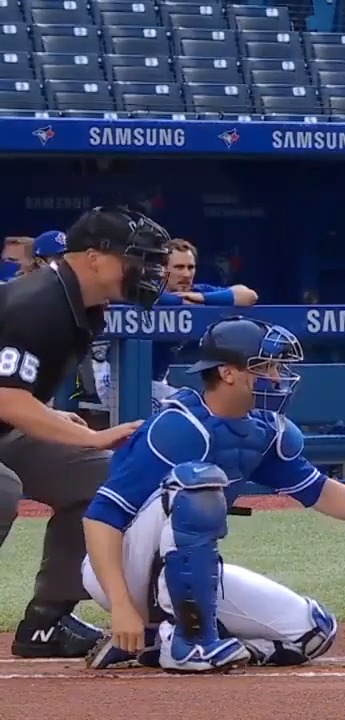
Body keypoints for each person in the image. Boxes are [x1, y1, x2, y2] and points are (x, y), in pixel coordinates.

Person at [81, 316, 345, 673]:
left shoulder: (263, 431)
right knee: (197, 483)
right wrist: (121, 605)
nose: (277, 377)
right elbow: (101, 518)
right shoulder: (177, 427)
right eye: (265, 367)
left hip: (182, 574)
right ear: (228, 372)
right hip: (122, 567)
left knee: (312, 632)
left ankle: (160, 638)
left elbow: (318, 490)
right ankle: (190, 645)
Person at [0, 206, 170, 658]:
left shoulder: (79, 303)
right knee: (2, 489)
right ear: (94, 257)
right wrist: (91, 436)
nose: (146, 271)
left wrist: (55, 420)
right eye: (136, 259)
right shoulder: (37, 303)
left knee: (102, 476)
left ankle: (47, 622)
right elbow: (7, 400)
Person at [91, 237, 259, 412]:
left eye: (190, 267)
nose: (186, 274)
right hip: (117, 378)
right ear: (162, 269)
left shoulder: (195, 293)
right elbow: (168, 301)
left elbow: (248, 296)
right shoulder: (145, 290)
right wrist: (187, 302)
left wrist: (201, 298)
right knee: (190, 409)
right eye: (179, 267)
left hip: (156, 381)